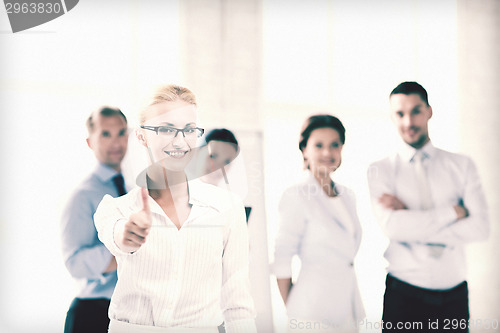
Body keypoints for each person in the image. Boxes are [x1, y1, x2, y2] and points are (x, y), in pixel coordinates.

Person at [93, 84, 257, 333]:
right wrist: (128, 234)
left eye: (189, 130)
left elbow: (237, 305)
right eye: (166, 129)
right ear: (141, 136)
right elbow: (119, 237)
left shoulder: (228, 208)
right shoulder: (116, 209)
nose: (180, 141)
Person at [367, 81, 489, 332]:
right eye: (400, 114)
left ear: (429, 111)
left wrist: (411, 220)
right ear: (392, 117)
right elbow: (394, 229)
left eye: (416, 111)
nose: (408, 121)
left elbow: (480, 228)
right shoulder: (381, 170)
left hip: (454, 295)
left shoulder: (462, 165)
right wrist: (453, 213)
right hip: (403, 294)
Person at [273, 115, 365, 332]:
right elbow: (282, 257)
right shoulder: (296, 195)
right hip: (312, 311)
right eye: (319, 145)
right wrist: (295, 310)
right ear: (304, 149)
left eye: (335, 145)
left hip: (348, 308)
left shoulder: (348, 195)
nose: (327, 152)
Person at [61, 106, 129, 333]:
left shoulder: (133, 190)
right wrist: (124, 249)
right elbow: (74, 263)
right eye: (106, 134)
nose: (116, 142)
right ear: (90, 142)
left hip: (127, 314)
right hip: (93, 313)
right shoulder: (82, 195)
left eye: (121, 133)